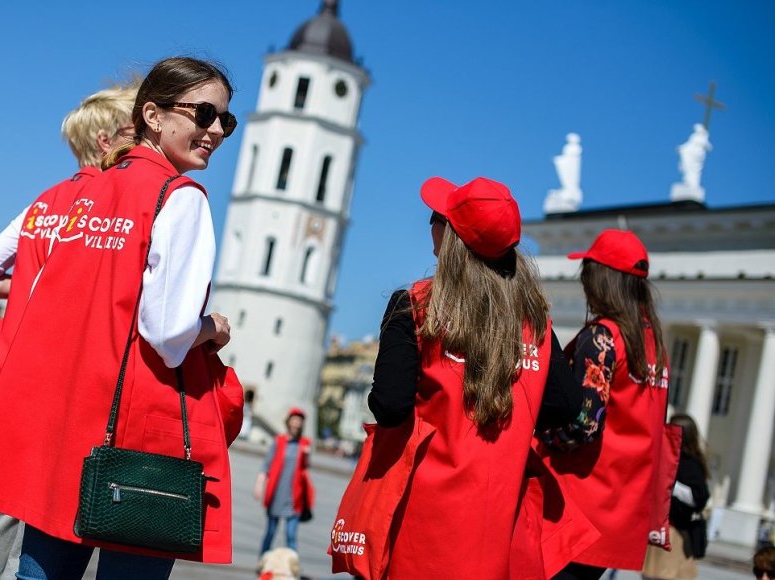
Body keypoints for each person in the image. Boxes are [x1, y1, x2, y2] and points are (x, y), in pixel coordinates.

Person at [0, 56, 240, 580]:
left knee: (38, 573)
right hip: (133, 436)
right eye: (203, 114)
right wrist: (211, 328)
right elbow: (167, 333)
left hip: (61, 427)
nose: (216, 130)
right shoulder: (180, 199)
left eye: (226, 119)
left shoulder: (73, 197)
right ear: (152, 115)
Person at [0, 83, 140, 580]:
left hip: (15, 384)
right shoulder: (108, 211)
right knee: (36, 540)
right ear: (106, 142)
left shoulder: (44, 203)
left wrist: (24, 287)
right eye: (134, 135)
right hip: (65, 388)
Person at [365, 176, 600, 578]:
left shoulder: (416, 306)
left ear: (452, 238)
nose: (431, 226)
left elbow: (390, 406)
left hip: (421, 525)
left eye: (436, 219)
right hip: (496, 532)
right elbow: (567, 406)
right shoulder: (534, 325)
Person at [541, 228, 671, 580]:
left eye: (586, 272)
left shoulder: (601, 337)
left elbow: (584, 424)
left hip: (575, 508)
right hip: (619, 511)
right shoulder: (652, 343)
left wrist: (539, 441)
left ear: (600, 280)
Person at [642, 414, 711, 580]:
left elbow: (699, 498)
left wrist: (671, 485)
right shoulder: (664, 456)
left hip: (676, 533)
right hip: (658, 528)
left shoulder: (691, 464)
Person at [254, 407, 314, 555]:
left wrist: (307, 455)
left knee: (291, 536)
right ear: (289, 422)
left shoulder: (305, 443)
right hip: (276, 495)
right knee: (270, 532)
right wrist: (259, 484)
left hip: (295, 497)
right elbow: (267, 465)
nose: (296, 423)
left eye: (299, 420)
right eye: (294, 420)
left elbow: (305, 467)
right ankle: (263, 563)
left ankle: (292, 569)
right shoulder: (279, 441)